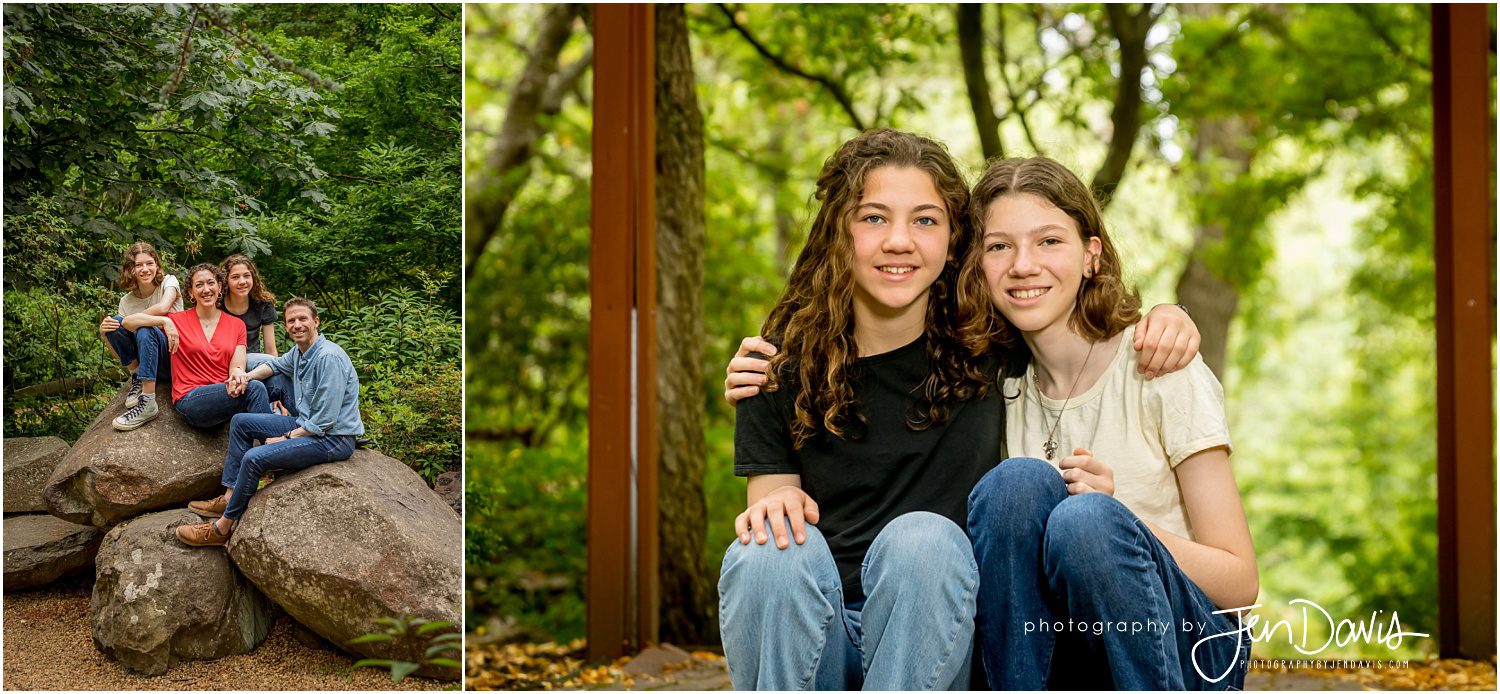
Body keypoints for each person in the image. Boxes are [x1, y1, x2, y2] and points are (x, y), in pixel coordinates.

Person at [717, 130, 1201, 691]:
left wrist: (1170, 313)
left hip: (933, 633)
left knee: (924, 538)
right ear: (838, 233)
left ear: (953, 243)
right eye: (873, 218)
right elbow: (773, 519)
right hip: (818, 638)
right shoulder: (775, 366)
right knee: (766, 555)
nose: (899, 241)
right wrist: (773, 498)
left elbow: (1072, 313)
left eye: (924, 220)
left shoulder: (987, 344)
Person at [959, 156, 1257, 689]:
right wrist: (775, 366)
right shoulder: (996, 391)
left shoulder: (1159, 366)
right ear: (977, 266)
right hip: (1065, 656)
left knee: (1087, 523)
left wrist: (1122, 524)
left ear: (1090, 256)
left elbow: (1240, 584)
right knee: (1016, 485)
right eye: (999, 246)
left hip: (1192, 652)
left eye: (1049, 241)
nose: (1023, 265)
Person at [176, 297, 364, 547]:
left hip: (332, 438)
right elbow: (274, 366)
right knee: (241, 422)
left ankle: (222, 529)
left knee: (255, 457)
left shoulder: (328, 358)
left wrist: (285, 438)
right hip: (307, 425)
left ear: (316, 321)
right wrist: (245, 377)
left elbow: (324, 422)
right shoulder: (300, 352)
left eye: (303, 319)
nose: (297, 325)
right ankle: (230, 494)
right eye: (291, 321)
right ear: (286, 326)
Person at [117, 263, 269, 430]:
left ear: (219, 286)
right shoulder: (177, 320)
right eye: (199, 285)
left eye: (211, 283)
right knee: (255, 388)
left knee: (263, 385)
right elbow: (127, 322)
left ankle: (263, 447)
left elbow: (237, 366)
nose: (206, 289)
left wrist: (238, 374)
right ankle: (272, 443)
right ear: (191, 292)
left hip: (223, 395)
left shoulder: (237, 325)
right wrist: (164, 321)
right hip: (190, 399)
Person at [101, 242, 183, 430]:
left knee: (146, 328)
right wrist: (105, 334)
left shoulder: (169, 283)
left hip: (171, 358)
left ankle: (148, 402)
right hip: (144, 363)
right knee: (114, 322)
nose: (145, 269)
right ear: (131, 269)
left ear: (157, 265)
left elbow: (163, 308)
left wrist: (161, 321)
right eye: (139, 265)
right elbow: (121, 354)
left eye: (150, 263)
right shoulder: (126, 301)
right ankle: (137, 377)